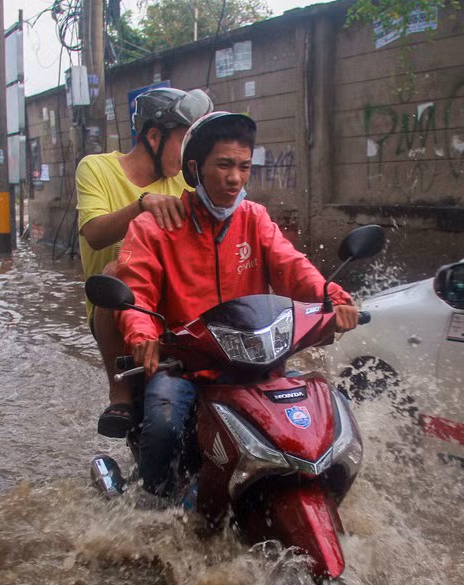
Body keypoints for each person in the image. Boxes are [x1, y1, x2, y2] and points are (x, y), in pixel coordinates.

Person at [113, 111, 359, 497]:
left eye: (244, 166)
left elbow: (293, 267)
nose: (235, 178)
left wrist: (334, 298)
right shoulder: (155, 226)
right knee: (164, 427)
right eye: (224, 165)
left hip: (255, 361)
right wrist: (143, 332)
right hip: (187, 366)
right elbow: (135, 289)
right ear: (194, 168)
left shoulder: (254, 218)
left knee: (326, 409)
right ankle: (150, 510)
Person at [76, 86, 213, 439]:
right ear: (154, 136)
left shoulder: (187, 182)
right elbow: (94, 233)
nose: (190, 156)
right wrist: (142, 206)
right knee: (115, 272)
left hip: (178, 307)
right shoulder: (96, 169)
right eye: (185, 143)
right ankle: (119, 393)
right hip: (118, 309)